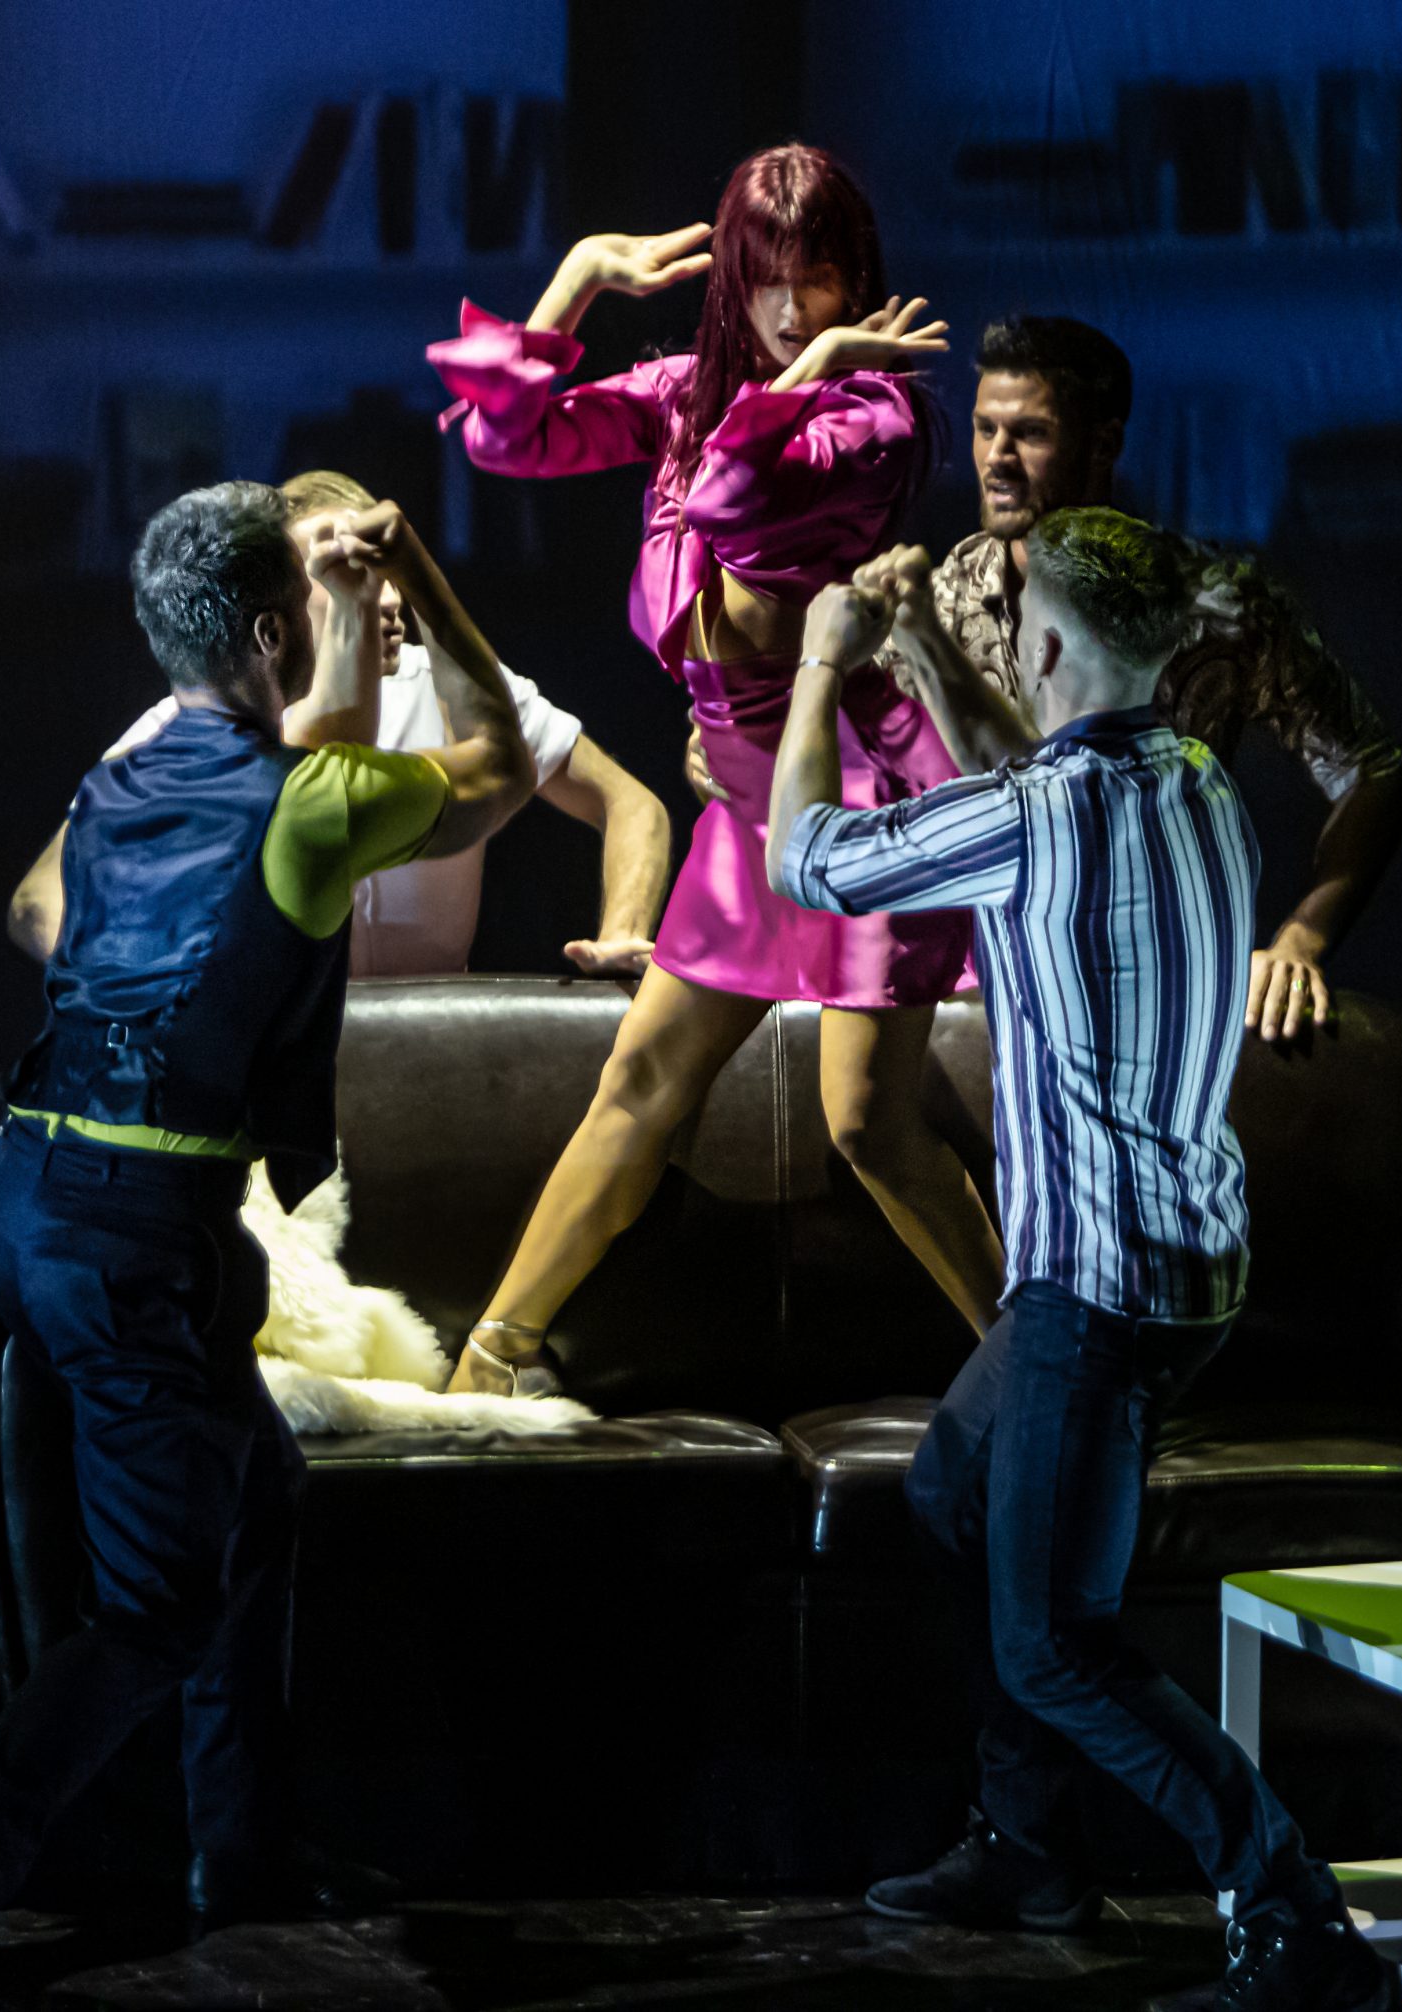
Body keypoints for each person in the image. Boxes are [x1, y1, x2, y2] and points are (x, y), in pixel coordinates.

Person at [0, 485, 535, 2012]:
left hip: (28, 1199)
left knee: (259, 1496)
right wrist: (416, 570)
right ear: (277, 631)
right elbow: (494, 763)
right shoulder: (311, 804)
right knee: (156, 1605)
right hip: (132, 1239)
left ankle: (243, 1850)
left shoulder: (116, 778)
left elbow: (45, 911)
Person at [766, 512, 1394, 2012]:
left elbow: (807, 861)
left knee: (1053, 1645)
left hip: (1094, 1293)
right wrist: (927, 646)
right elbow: (1034, 764)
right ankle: (1029, 1844)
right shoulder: (1195, 781)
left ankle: (1295, 1918)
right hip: (1180, 1268)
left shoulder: (1042, 814)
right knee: (951, 1491)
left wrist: (823, 666)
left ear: (1043, 645)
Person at [424, 142, 1003, 1397]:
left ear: (856, 275)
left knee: (869, 1124)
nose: (792, 306)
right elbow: (505, 440)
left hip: (861, 806)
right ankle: (490, 1360)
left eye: (818, 275)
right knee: (639, 1078)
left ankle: (1047, 1370)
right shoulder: (695, 391)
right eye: (767, 277)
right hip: (747, 812)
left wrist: (812, 365)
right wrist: (579, 277)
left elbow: (735, 503)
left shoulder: (875, 412)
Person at [693, 312, 1402, 1045]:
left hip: (1146, 1000)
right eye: (985, 430)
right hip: (980, 1009)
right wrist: (738, 749)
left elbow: (1373, 771)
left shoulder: (1214, 604)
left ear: (1103, 444)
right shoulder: (938, 597)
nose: (997, 458)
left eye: (1029, 434)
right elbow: (828, 781)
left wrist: (1301, 940)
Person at [8, 467, 672, 979]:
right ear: (282, 600)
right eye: (344, 572)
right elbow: (40, 897)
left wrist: (621, 936)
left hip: (437, 1049)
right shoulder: (200, 720)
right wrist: (136, 977)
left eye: (385, 568)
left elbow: (630, 804)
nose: (384, 597)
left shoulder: (459, 689)